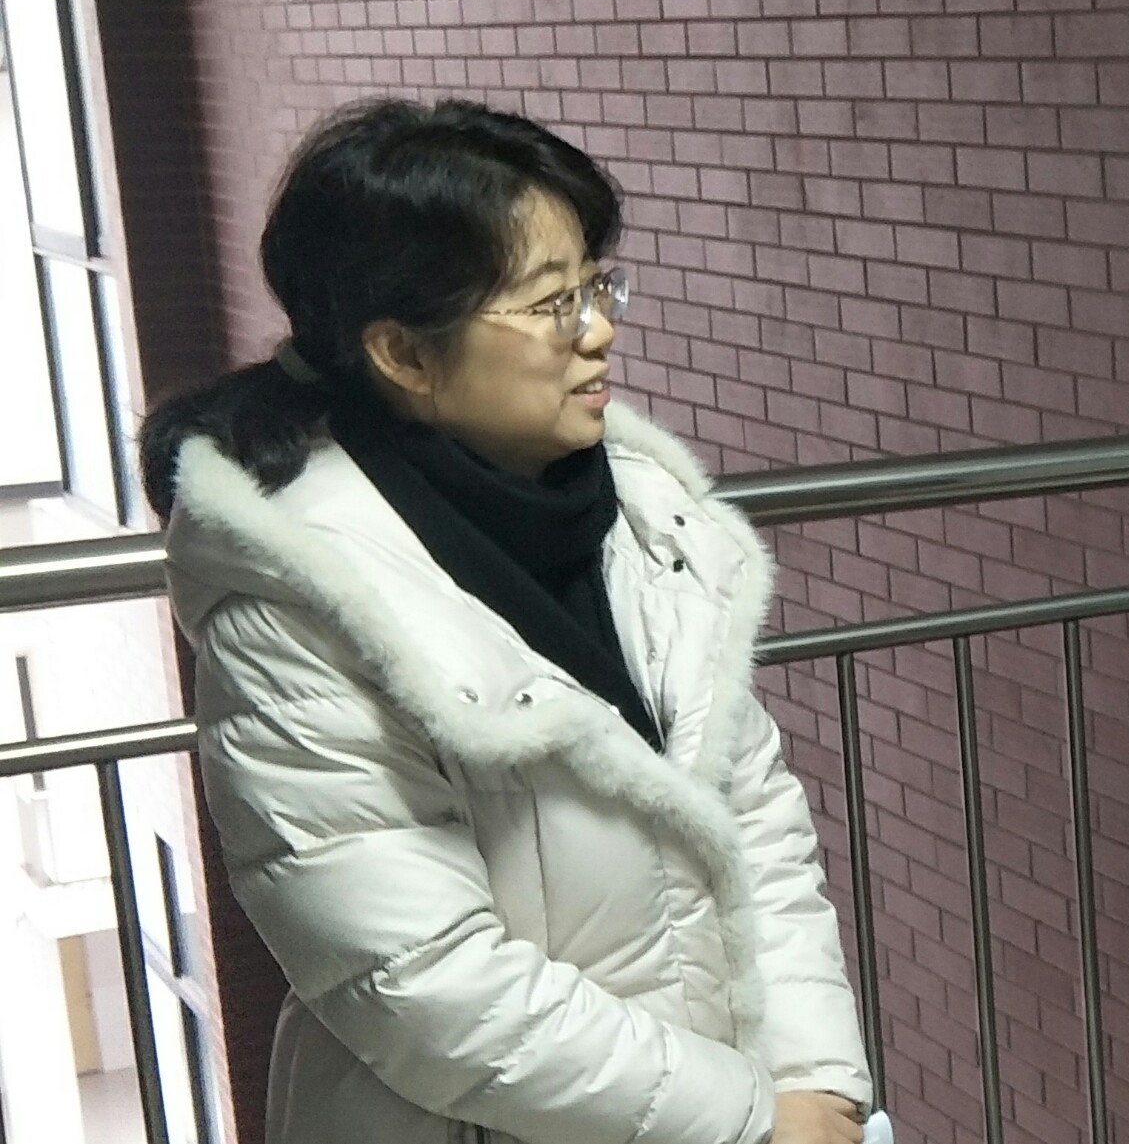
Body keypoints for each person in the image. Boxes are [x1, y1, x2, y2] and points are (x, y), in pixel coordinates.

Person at [145, 100, 874, 1144]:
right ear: (403, 352)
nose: (600, 329)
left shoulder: (642, 518)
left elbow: (758, 824)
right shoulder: (293, 596)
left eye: (597, 285)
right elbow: (423, 982)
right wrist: (750, 1117)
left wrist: (818, 1086)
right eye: (552, 302)